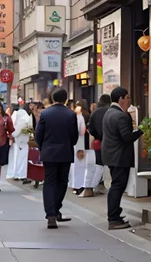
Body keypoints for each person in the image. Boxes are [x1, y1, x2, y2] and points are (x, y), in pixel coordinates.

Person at [35, 88, 78, 229]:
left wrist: (43, 147)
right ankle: (56, 208)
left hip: (48, 153)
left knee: (49, 182)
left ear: (52, 99)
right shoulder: (71, 114)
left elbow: (38, 135)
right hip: (65, 152)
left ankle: (51, 214)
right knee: (62, 181)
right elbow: (74, 137)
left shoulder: (45, 114)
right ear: (66, 99)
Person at [101, 87, 143, 230]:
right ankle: (113, 218)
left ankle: (115, 215)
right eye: (128, 97)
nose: (129, 101)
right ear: (121, 99)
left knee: (116, 185)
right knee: (118, 186)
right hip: (119, 157)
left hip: (111, 156)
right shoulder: (121, 116)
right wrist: (141, 131)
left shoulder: (108, 113)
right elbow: (127, 137)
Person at [83, 94, 111, 197]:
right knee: (108, 165)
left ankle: (91, 187)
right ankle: (95, 185)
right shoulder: (110, 111)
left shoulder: (95, 113)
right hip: (111, 142)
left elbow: (91, 129)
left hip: (98, 142)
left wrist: (97, 136)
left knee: (98, 164)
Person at [8, 103, 33, 182]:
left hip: (16, 139)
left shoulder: (16, 114)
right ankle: (20, 175)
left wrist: (12, 135)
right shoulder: (25, 116)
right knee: (22, 158)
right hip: (22, 140)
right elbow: (25, 127)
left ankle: (14, 173)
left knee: (15, 157)